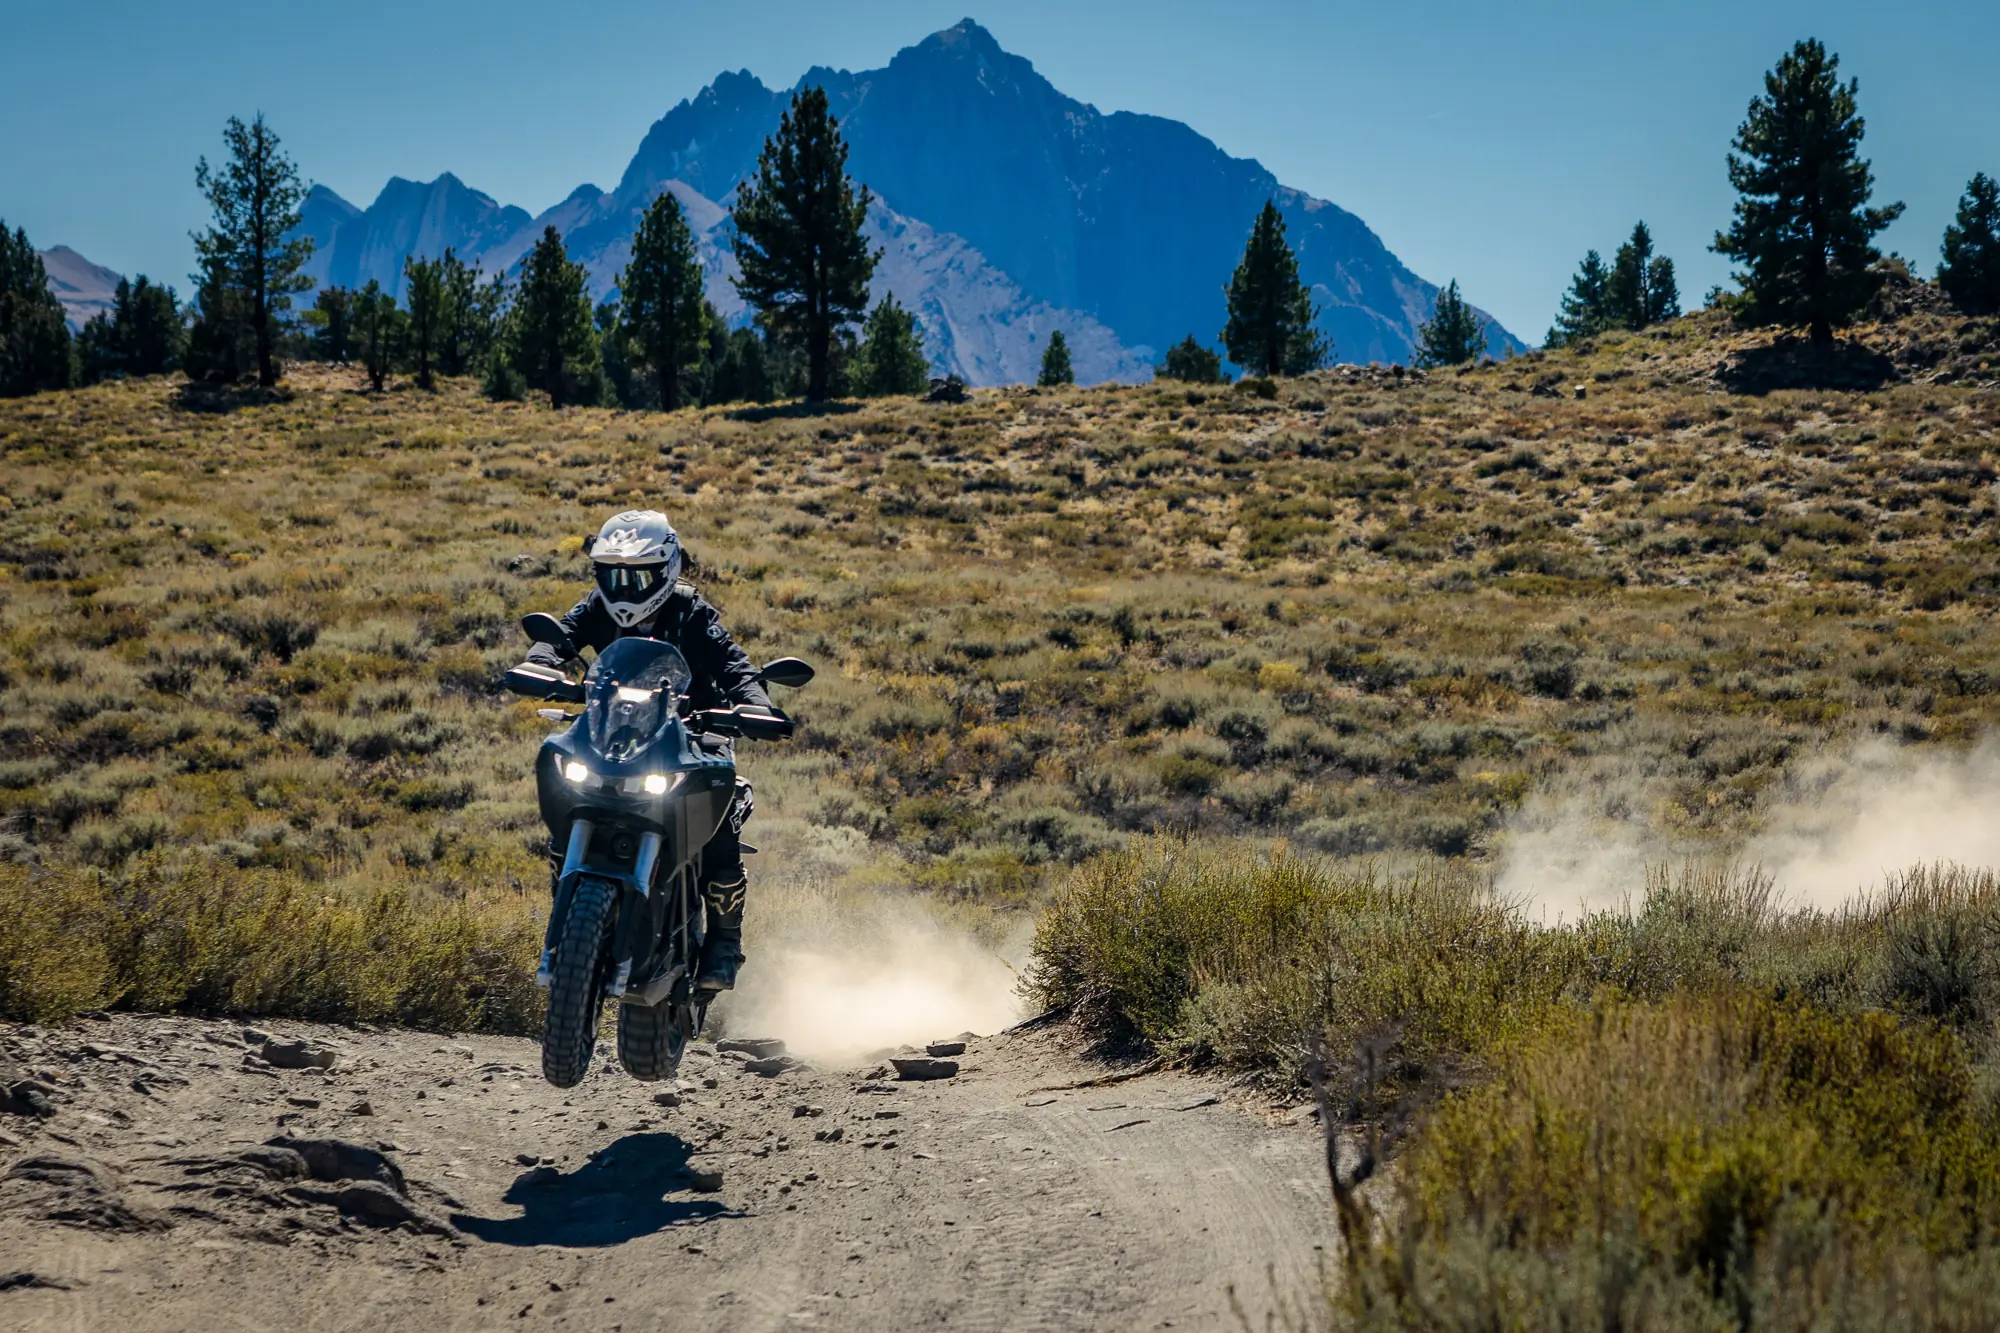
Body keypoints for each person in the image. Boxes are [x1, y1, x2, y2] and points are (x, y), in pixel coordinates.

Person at [519, 509, 779, 992]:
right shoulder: (596, 606)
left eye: (638, 575)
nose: (625, 586)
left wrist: (754, 706)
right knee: (563, 774)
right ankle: (575, 909)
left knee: (721, 826)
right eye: (614, 573)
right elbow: (561, 638)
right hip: (613, 732)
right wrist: (539, 664)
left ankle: (724, 942)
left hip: (692, 735)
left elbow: (735, 665)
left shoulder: (692, 612)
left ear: (666, 569)